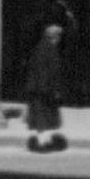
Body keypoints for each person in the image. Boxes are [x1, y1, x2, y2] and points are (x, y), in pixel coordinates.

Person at [25, 21, 69, 154]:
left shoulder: (41, 48)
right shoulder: (48, 50)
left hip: (39, 89)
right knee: (43, 117)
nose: (59, 40)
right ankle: (42, 143)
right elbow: (45, 72)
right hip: (43, 90)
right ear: (54, 37)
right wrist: (50, 90)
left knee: (42, 116)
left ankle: (44, 141)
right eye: (58, 37)